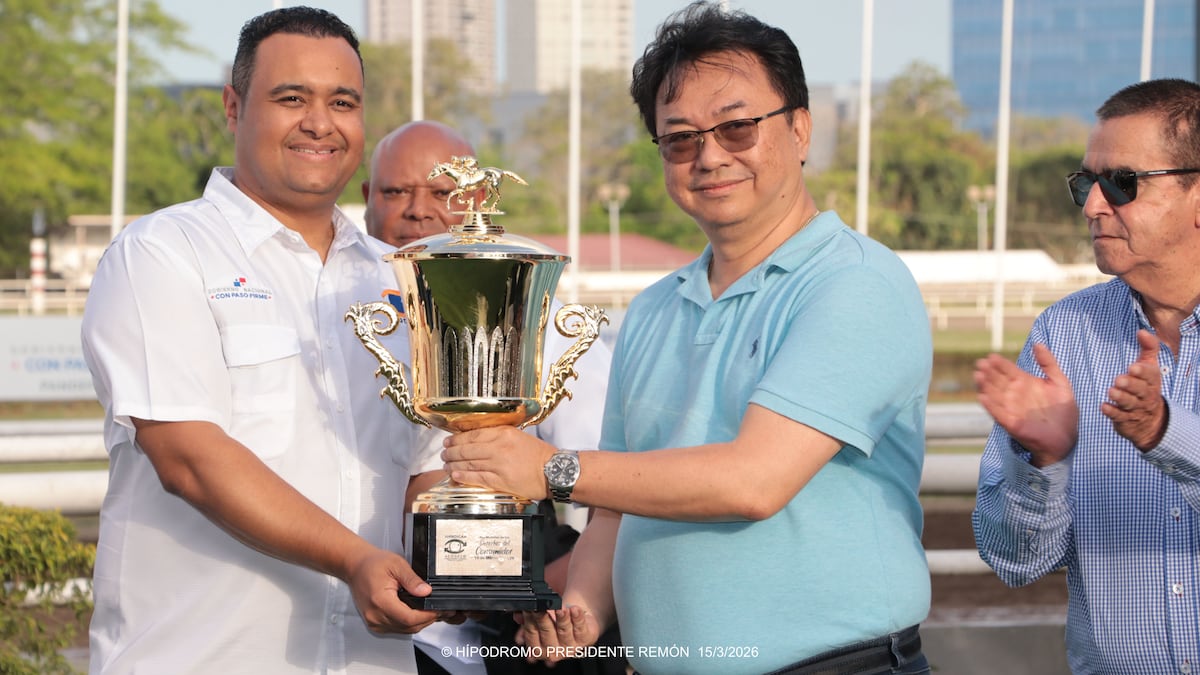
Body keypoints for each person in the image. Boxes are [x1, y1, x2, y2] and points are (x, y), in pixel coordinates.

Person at [440, 3, 934, 674]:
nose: (709, 155)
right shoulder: (653, 310)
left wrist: (550, 469)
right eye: (681, 138)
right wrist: (581, 608)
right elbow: (617, 503)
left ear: (800, 130)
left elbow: (754, 479)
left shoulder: (856, 283)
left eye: (736, 127)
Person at [80, 8, 449, 674]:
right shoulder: (163, 255)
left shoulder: (399, 283)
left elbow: (424, 467)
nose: (319, 122)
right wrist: (353, 558)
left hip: (373, 662)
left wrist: (464, 569)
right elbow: (190, 458)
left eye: (342, 101)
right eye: (291, 98)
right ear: (234, 105)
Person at [362, 120, 622, 675]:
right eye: (395, 191)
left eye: (442, 193)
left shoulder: (531, 320)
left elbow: (616, 480)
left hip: (487, 649)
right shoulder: (345, 315)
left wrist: (535, 587)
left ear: (479, 200)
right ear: (365, 199)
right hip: (355, 629)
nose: (418, 210)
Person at [973, 77, 1200, 673]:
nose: (1095, 205)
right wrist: (1041, 464)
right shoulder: (1062, 337)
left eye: (1122, 183)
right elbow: (1012, 562)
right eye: (1086, 184)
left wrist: (1165, 432)